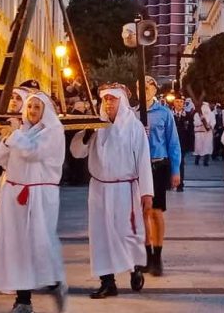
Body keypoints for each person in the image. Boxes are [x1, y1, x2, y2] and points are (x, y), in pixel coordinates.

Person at [70, 84, 153, 299]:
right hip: (99, 188)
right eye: (105, 100)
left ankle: (135, 267)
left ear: (121, 101)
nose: (108, 103)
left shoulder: (134, 127)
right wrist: (87, 133)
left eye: (112, 99)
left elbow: (143, 160)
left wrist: (147, 193)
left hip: (125, 189)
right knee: (101, 235)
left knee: (126, 232)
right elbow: (77, 152)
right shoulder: (96, 125)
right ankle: (107, 282)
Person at [0, 91, 68, 313]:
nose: (32, 111)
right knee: (17, 247)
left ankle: (54, 284)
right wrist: (2, 137)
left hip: (40, 196)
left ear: (44, 111)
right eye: (30, 106)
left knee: (38, 245)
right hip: (15, 196)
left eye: (37, 107)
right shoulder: (20, 131)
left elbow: (32, 152)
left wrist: (13, 135)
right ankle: (23, 300)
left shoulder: (53, 132)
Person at [143, 76, 181, 277]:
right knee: (142, 213)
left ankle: (157, 256)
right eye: (141, 85)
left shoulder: (164, 113)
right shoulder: (132, 113)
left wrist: (176, 170)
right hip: (138, 167)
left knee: (156, 213)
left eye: (148, 86)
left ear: (154, 89)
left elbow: (173, 142)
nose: (145, 89)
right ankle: (146, 255)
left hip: (158, 164)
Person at [172, 97, 194, 192]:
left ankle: (180, 184)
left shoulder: (188, 116)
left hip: (182, 143)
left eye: (181, 102)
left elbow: (190, 131)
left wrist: (190, 145)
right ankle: (169, 183)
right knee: (169, 163)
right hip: (171, 143)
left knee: (180, 163)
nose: (179, 104)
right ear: (173, 103)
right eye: (177, 101)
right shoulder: (169, 114)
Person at [191, 98, 215, 167]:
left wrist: (210, 125)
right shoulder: (197, 114)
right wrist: (201, 122)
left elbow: (213, 122)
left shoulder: (211, 114)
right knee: (199, 147)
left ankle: (206, 161)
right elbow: (195, 123)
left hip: (207, 133)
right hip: (199, 132)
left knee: (207, 147)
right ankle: (197, 160)